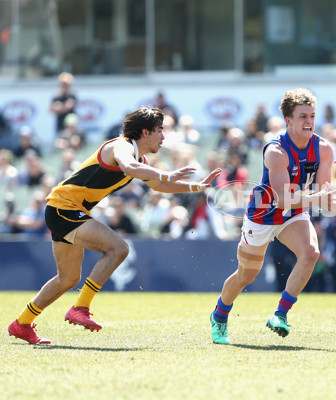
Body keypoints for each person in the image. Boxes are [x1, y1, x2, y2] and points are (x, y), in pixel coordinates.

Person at [7, 106, 221, 345]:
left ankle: (22, 323)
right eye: (159, 131)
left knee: (67, 279)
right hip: (64, 209)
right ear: (145, 132)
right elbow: (131, 168)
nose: (163, 137)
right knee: (118, 249)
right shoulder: (123, 146)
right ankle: (81, 308)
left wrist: (198, 186)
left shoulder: (140, 159)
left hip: (63, 209)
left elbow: (159, 186)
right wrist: (165, 174)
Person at [209, 88, 336, 344]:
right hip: (263, 214)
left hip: (294, 212)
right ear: (288, 120)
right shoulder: (276, 151)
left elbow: (324, 195)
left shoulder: (324, 149)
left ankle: (280, 314)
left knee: (311, 253)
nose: (309, 121)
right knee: (246, 276)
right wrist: (317, 199)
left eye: (312, 116)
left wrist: (330, 202)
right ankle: (219, 315)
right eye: (303, 116)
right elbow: (281, 199)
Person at [49, 72, 77, 136]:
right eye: (62, 84)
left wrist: (59, 107)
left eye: (66, 84)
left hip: (71, 126)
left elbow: (69, 107)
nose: (64, 86)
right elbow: (51, 109)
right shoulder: (56, 96)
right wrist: (63, 107)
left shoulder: (72, 95)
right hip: (59, 125)